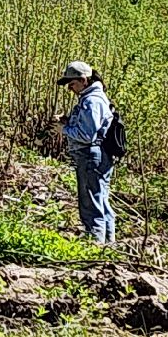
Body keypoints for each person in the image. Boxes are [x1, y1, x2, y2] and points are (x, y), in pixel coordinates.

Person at [59, 60, 116, 245]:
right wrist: (68, 121)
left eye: (72, 83)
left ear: (84, 80)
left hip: (90, 156)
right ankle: (108, 245)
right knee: (100, 199)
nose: (70, 88)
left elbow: (87, 135)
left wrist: (63, 129)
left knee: (90, 203)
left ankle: (95, 245)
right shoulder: (96, 98)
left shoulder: (91, 101)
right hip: (98, 156)